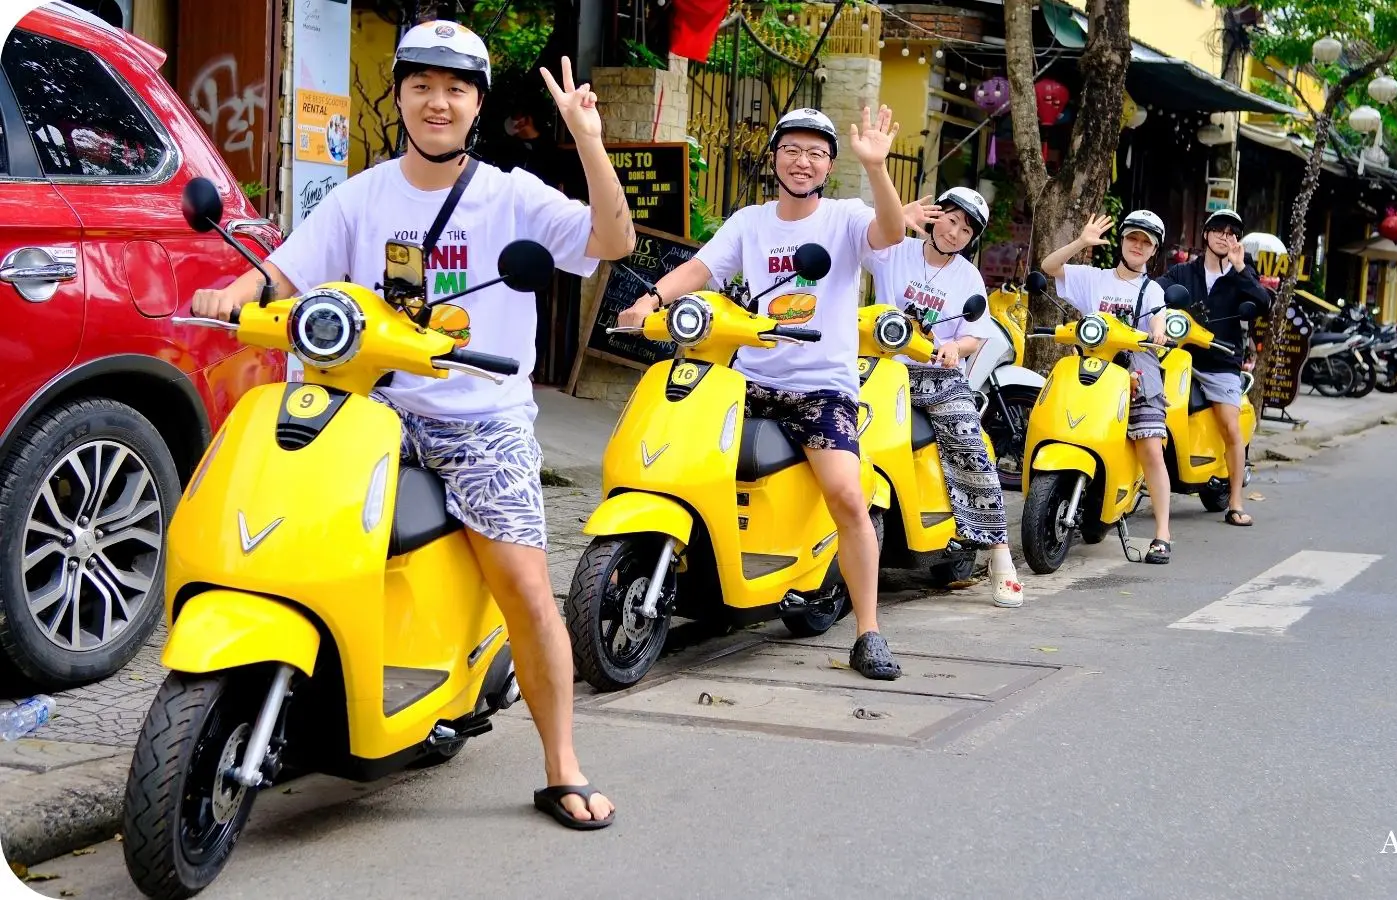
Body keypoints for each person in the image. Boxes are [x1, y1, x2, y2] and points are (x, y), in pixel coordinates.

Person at [190, 21, 634, 830]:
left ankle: (562, 763)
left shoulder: (510, 196)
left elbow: (611, 239)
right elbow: (286, 268)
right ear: (398, 95)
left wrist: (587, 139)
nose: (438, 102)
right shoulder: (362, 194)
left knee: (530, 591)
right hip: (371, 410)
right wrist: (237, 292)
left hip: (480, 422)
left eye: (455, 88)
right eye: (422, 85)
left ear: (477, 105)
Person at [617, 106, 910, 679]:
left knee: (848, 498)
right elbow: (702, 269)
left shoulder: (846, 217)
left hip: (820, 387)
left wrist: (876, 168)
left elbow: (891, 233)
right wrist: (651, 300)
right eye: (793, 150)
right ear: (775, 156)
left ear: (829, 165)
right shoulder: (749, 222)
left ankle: (869, 630)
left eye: (817, 154)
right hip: (747, 379)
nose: (804, 162)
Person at [865, 187, 1025, 608]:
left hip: (937, 377)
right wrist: (898, 213)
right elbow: (859, 238)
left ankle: (998, 554)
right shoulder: (894, 250)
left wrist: (957, 348)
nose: (956, 232)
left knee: (971, 447)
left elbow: (976, 333)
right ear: (936, 216)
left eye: (966, 229)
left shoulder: (968, 278)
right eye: (952, 220)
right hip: (883, 369)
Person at [1040, 209, 1174, 564]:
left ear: (1153, 251)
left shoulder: (1152, 289)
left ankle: (1162, 534)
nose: (1138, 246)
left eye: (1146, 242)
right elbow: (1049, 266)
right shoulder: (1093, 279)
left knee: (1150, 448)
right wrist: (1082, 242)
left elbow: (1159, 316)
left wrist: (1158, 329)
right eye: (1133, 238)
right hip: (1092, 371)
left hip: (1137, 373)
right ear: (1122, 240)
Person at [1155, 208, 1271, 527]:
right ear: (1205, 234)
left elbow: (1263, 304)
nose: (1225, 236)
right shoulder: (1183, 273)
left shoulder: (1240, 276)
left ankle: (1235, 501)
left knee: (1231, 428)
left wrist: (1241, 266)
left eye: (1232, 232)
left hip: (1220, 363)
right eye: (1219, 229)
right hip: (1178, 357)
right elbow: (1152, 293)